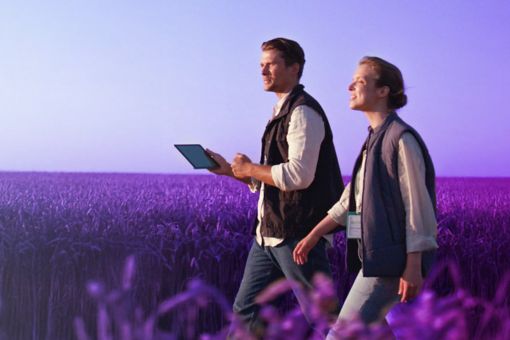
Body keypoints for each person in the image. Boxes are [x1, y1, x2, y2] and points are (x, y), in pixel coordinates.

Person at [206, 37, 344, 335]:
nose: (263, 71)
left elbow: (299, 176)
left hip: (298, 236)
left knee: (325, 320)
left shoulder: (304, 112)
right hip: (268, 236)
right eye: (261, 65)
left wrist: (251, 167)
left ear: (294, 68)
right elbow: (273, 181)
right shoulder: (281, 110)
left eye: (270, 64)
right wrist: (230, 172)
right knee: (246, 313)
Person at [292, 56, 438, 336]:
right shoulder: (374, 140)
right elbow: (350, 201)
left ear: (383, 91)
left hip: (390, 263)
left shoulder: (400, 139)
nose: (350, 86)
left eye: (359, 81)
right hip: (375, 259)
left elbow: (417, 207)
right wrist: (313, 235)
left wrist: (413, 265)